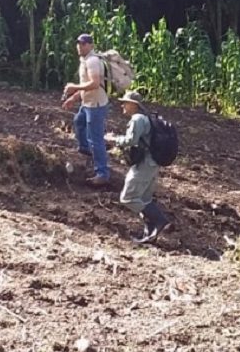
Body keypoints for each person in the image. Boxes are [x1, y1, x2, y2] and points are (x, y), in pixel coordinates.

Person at [106, 90, 172, 244]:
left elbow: (131, 140)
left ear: (134, 105)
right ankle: (149, 234)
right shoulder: (146, 118)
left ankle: (160, 220)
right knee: (144, 199)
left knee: (127, 198)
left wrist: (114, 139)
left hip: (145, 164)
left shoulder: (137, 119)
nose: (122, 105)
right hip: (152, 163)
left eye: (125, 102)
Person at [62, 33, 110, 186]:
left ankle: (102, 173)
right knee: (78, 121)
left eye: (83, 43)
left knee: (96, 139)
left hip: (95, 105)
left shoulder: (93, 61)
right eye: (78, 43)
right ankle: (85, 149)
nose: (80, 46)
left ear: (91, 45)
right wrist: (74, 98)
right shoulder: (84, 61)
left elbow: (95, 84)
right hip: (87, 103)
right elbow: (86, 85)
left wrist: (73, 87)